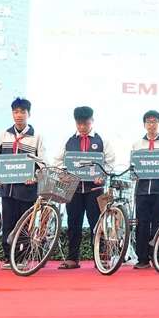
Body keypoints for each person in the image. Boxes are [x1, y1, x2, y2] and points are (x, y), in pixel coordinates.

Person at [53, 106, 116, 269]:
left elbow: (110, 162)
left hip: (95, 190)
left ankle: (100, 258)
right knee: (74, 223)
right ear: (75, 122)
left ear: (92, 121)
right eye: (79, 124)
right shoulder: (69, 141)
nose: (82, 127)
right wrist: (63, 173)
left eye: (86, 123)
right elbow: (58, 161)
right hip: (73, 189)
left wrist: (102, 175)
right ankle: (72, 259)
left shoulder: (102, 140)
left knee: (98, 223)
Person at [0, 98, 44, 270]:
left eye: (22, 112)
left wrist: (35, 178)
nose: (19, 115)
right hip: (8, 189)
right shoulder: (4, 135)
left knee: (24, 225)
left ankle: (22, 258)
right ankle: (9, 258)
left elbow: (42, 163)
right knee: (8, 223)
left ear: (28, 114)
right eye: (15, 112)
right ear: (12, 114)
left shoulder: (36, 137)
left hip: (27, 189)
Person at [131, 110, 159, 270]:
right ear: (144, 124)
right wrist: (134, 174)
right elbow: (133, 165)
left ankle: (157, 257)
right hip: (141, 190)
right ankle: (142, 259)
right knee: (142, 224)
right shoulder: (137, 144)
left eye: (155, 121)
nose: (152, 125)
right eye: (149, 122)